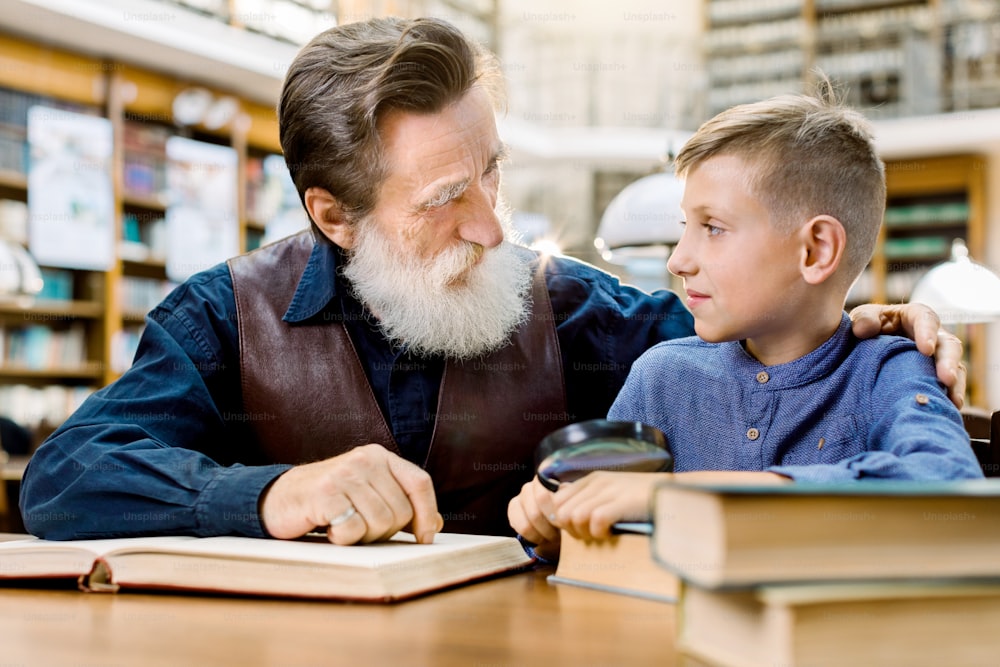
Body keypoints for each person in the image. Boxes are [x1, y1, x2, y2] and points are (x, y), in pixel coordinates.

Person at [21, 18, 963, 546]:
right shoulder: (222, 317)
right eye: (443, 199)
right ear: (334, 215)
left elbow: (757, 334)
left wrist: (855, 321)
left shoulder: (573, 307)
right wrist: (276, 494)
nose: (494, 226)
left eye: (494, 173)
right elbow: (66, 479)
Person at [508, 81, 983, 558]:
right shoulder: (662, 376)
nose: (679, 261)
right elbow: (605, 529)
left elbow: (946, 487)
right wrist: (558, 530)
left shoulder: (890, 368)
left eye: (713, 228)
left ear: (815, 250)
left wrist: (679, 495)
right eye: (685, 228)